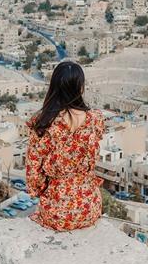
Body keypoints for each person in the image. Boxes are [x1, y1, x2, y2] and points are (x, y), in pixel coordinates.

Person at [26, 60, 104, 231]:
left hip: (57, 211)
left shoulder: (44, 123)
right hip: (90, 207)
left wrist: (42, 191)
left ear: (54, 88)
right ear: (80, 88)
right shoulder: (95, 120)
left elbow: (33, 170)